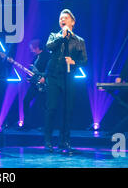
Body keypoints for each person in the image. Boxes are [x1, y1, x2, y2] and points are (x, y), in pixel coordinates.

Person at [44, 9, 87, 154]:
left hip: (69, 77)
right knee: (52, 108)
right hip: (54, 76)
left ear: (72, 22)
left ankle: (64, 141)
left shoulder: (79, 41)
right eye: (60, 18)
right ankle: (48, 140)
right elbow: (49, 47)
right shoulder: (54, 36)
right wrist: (61, 37)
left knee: (67, 109)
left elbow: (84, 61)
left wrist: (74, 61)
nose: (62, 20)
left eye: (65, 18)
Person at [22, 39, 49, 130]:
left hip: (44, 84)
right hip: (34, 84)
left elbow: (50, 69)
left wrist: (44, 77)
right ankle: (26, 125)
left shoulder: (47, 56)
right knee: (26, 101)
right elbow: (32, 70)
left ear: (37, 48)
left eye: (32, 48)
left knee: (43, 105)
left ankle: (45, 126)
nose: (31, 50)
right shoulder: (35, 57)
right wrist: (29, 78)